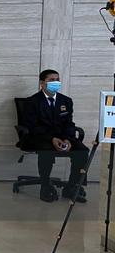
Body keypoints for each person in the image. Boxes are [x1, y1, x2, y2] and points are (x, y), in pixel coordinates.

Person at [22, 69, 89, 203]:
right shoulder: (32, 101)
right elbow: (32, 126)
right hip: (41, 137)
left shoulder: (66, 101)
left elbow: (69, 123)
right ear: (42, 83)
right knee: (46, 151)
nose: (55, 83)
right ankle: (45, 186)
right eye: (51, 80)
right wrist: (52, 139)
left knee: (82, 151)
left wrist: (68, 139)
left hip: (63, 137)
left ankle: (71, 187)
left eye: (57, 80)